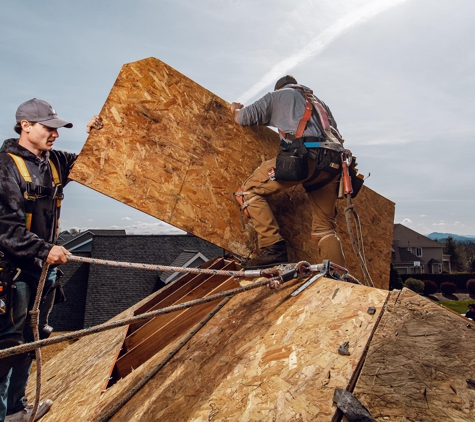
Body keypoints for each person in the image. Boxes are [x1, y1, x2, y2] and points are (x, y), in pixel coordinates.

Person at [0, 98, 102, 421]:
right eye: (48, 128)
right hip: (14, 275)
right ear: (25, 127)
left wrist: (96, 135)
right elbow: (7, 231)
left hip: (44, 272)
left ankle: (16, 409)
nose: (55, 135)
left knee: (33, 341)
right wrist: (46, 250)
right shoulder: (5, 168)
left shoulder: (54, 162)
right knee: (9, 347)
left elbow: (95, 164)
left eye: (57, 129)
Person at [231, 75, 347, 269]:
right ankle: (339, 279)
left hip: (304, 158)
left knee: (248, 191)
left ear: (279, 89)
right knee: (325, 229)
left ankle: (273, 248)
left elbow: (243, 118)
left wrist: (235, 108)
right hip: (334, 165)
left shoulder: (278, 96)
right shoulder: (319, 103)